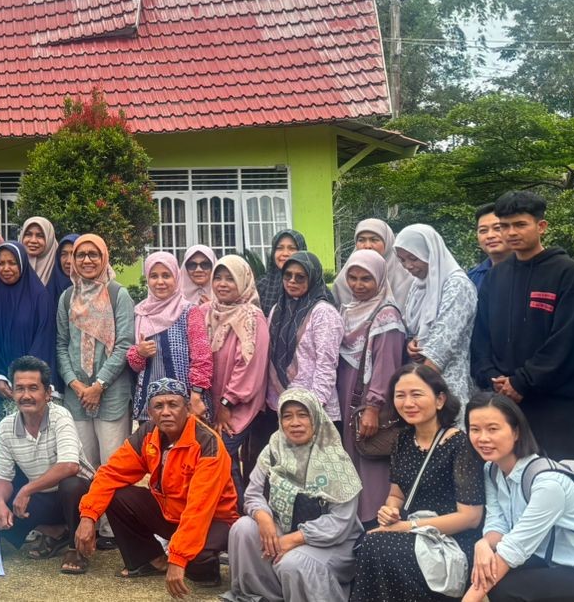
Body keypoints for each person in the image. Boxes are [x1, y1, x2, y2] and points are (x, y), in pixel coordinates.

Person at [74, 378, 239, 594]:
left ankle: (207, 569)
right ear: (150, 412)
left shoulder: (208, 443)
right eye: (158, 406)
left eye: (173, 404)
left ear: (188, 409)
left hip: (213, 519)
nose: (166, 412)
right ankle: (150, 560)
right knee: (117, 495)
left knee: (195, 559)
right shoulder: (147, 433)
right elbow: (110, 473)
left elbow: (200, 508)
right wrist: (88, 515)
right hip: (171, 512)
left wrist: (178, 557)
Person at [464, 392, 574, 602]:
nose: (483, 438)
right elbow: (498, 523)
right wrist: (484, 544)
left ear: (516, 431)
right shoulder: (492, 470)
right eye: (475, 429)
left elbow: (513, 550)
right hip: (553, 564)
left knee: (504, 587)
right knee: (487, 570)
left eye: (493, 429)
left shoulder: (547, 484)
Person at [471, 191, 574, 462]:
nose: (511, 232)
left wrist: (522, 381)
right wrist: (491, 376)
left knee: (559, 477)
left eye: (520, 224)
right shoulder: (496, 276)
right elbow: (481, 336)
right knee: (508, 476)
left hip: (555, 404)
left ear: (541, 226)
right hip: (504, 402)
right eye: (505, 226)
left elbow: (569, 340)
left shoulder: (567, 272)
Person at [350, 363, 485, 602]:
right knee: (370, 542)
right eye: (400, 395)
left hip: (449, 540)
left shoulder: (459, 444)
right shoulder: (402, 441)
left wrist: (408, 527)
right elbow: (397, 495)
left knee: (378, 546)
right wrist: (390, 511)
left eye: (416, 394)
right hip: (412, 533)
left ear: (440, 400)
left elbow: (470, 518)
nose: (408, 403)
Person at [223, 387, 364, 602]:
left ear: (316, 417)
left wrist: (294, 539)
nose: (295, 423)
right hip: (284, 528)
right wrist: (263, 517)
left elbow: (340, 522)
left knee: (294, 562)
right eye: (287, 416)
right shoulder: (274, 449)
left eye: (303, 415)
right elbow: (253, 493)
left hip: (331, 542)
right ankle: (262, 596)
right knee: (243, 528)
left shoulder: (335, 459)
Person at [0, 355, 93, 576]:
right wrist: (0, 502)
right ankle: (55, 532)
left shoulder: (60, 416)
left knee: (71, 484)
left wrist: (27, 490)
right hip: (44, 497)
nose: (26, 395)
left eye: (33, 388)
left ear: (47, 393)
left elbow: (70, 466)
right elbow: (2, 476)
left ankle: (76, 549)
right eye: (19, 389)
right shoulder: (6, 426)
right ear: (12, 392)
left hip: (79, 498)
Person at [55, 234, 136, 550]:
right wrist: (75, 384)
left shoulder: (118, 294)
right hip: (77, 394)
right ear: (73, 260)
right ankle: (89, 523)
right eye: (81, 255)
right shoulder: (67, 297)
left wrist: (99, 384)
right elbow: (61, 344)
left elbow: (125, 344)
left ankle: (112, 529)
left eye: (93, 254)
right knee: (85, 463)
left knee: (112, 463)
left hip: (111, 393)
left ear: (104, 258)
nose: (87, 260)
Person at [335, 249, 408, 520]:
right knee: (352, 460)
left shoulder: (386, 316)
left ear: (380, 278)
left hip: (368, 401)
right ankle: (353, 524)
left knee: (371, 459)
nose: (358, 285)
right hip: (347, 398)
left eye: (366, 278)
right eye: (352, 277)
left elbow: (387, 367)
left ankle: (375, 522)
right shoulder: (347, 311)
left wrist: (373, 407)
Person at [207, 254, 270, 500]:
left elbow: (250, 366)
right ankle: (235, 510)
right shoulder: (209, 312)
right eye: (218, 278)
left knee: (221, 451)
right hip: (214, 403)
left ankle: (241, 508)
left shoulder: (252, 317)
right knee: (224, 457)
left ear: (243, 281)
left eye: (230, 279)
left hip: (239, 404)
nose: (222, 284)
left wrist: (227, 402)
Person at [397, 223, 478, 412]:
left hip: (445, 384)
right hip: (419, 384)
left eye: (414, 258)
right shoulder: (418, 286)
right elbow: (414, 329)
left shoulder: (457, 285)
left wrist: (417, 386)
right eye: (402, 260)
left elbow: (443, 344)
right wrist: (412, 343)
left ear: (431, 253)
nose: (408, 266)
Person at [127, 251, 212, 423]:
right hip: (149, 406)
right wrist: (139, 353)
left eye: (166, 275)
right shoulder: (140, 313)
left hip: (185, 405)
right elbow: (135, 366)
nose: (160, 282)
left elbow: (202, 357)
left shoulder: (189, 311)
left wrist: (196, 395)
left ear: (176, 277)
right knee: (151, 441)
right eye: (154, 276)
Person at [0, 241, 57, 419]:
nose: (6, 268)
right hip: (0, 389)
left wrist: (24, 381)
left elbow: (44, 340)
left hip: (32, 387)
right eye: (1, 263)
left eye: (12, 263)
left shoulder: (40, 297)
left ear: (22, 264)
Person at [265, 252, 342, 423]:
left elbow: (326, 364)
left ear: (312, 278)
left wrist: (313, 407)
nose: (292, 281)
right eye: (288, 275)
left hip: (315, 410)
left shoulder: (323, 313)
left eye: (300, 277)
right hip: (280, 405)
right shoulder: (278, 310)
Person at [354, 218, 418, 308]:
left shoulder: (408, 281)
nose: (367, 246)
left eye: (374, 240)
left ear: (387, 242)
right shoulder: (343, 282)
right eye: (361, 240)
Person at [257, 230, 309, 313]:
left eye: (292, 248)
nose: (285, 253)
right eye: (279, 248)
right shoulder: (261, 286)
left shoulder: (310, 285)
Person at [467, 203, 511, 291]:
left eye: (498, 228)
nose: (490, 236)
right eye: (483, 230)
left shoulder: (534, 272)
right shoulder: (471, 278)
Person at [19, 217, 60, 292]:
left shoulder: (60, 268)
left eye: (40, 236)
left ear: (49, 238)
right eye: (28, 234)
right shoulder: (13, 265)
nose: (33, 240)